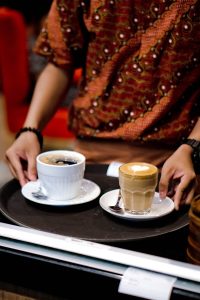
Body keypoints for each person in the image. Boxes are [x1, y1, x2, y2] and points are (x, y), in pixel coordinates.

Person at [5, 0, 200, 210]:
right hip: (88, 156)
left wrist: (193, 147)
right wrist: (30, 129)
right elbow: (60, 61)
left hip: (175, 161)